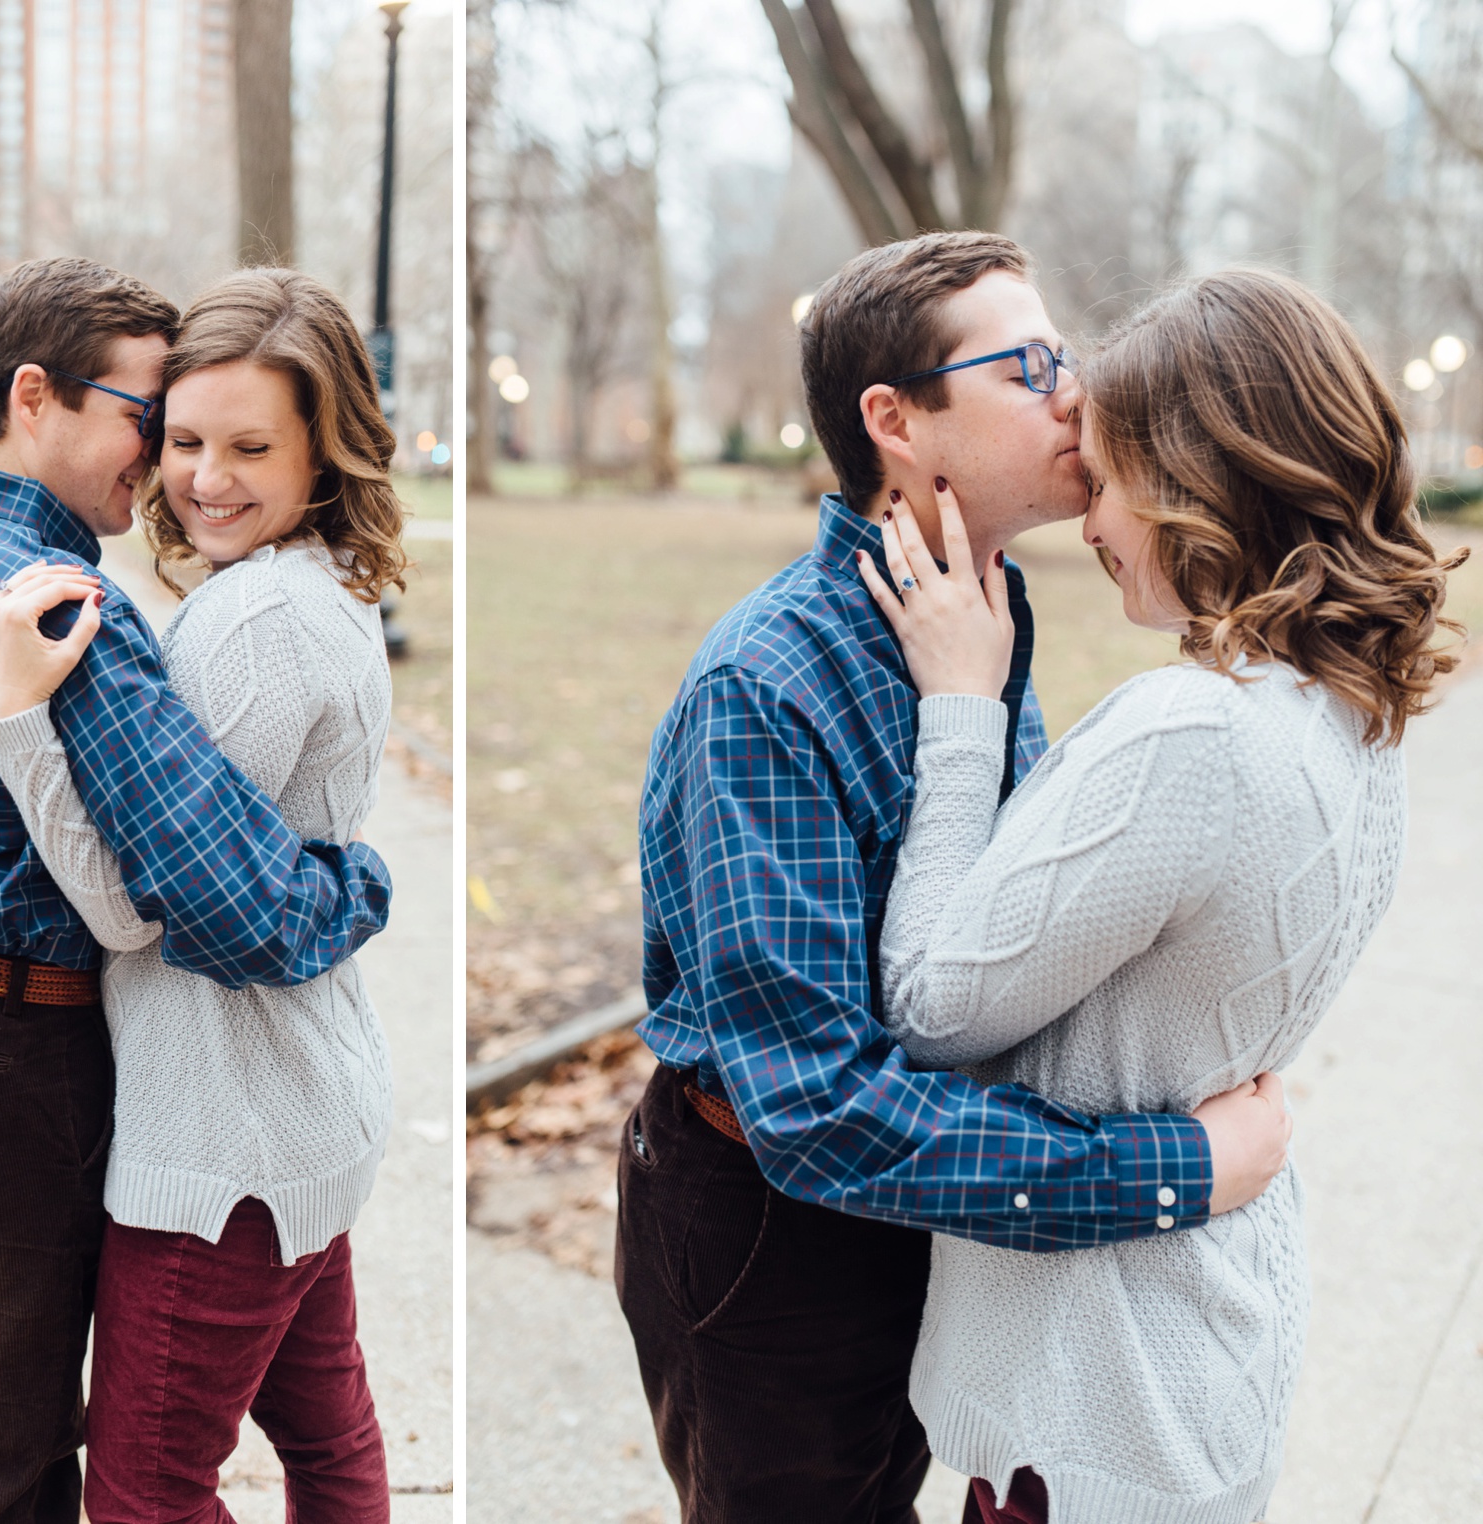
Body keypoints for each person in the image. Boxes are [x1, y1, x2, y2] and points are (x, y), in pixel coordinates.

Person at [613, 231, 1296, 1524]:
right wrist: (1170, 1169)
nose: (1074, 394)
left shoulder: (977, 620)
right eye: (1029, 364)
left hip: (932, 1208)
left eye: (1067, 356)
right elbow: (815, 1109)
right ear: (896, 422)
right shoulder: (768, 690)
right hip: (774, 1235)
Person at [0, 257, 391, 1524]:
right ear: (34, 397)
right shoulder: (62, 609)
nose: (163, 461)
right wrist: (354, 886)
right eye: (148, 420)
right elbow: (231, 901)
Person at [855, 268, 1461, 1524]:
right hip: (1201, 1352)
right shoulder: (1352, 716)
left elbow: (927, 1004)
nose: (1089, 516)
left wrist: (962, 708)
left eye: (1114, 474)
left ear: (1201, 481)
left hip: (1092, 1395)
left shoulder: (1192, 734)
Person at [0, 267, 405, 1523]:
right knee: (331, 1446)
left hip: (222, 1145)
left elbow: (135, 907)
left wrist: (17, 714)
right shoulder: (314, 588)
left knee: (146, 1496)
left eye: (252, 447)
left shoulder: (253, 624)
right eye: (185, 441)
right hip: (302, 1108)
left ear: (326, 449)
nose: (206, 477)